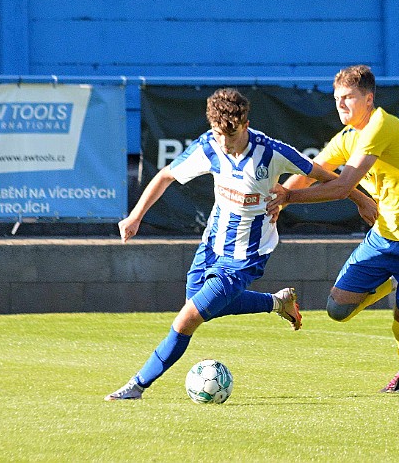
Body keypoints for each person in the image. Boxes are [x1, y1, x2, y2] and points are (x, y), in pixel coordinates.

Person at [106, 87, 375, 400]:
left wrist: (360, 199)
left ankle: (137, 385)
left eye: (230, 136)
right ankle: (277, 302)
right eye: (219, 134)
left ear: (245, 125)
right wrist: (135, 217)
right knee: (200, 304)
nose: (224, 143)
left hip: (246, 257)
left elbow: (326, 175)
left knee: (187, 319)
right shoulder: (210, 145)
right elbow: (165, 175)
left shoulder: (271, 152)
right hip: (212, 247)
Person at [267, 65, 399, 393]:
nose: (340, 104)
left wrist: (289, 196)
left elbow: (343, 185)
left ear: (368, 99)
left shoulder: (380, 125)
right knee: (337, 310)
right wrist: (276, 202)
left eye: (348, 97)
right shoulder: (347, 137)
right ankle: (393, 283)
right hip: (383, 237)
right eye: (337, 98)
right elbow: (310, 172)